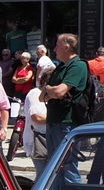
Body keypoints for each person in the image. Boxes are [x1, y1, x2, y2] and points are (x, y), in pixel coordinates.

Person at [38, 33, 90, 161]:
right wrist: (52, 91)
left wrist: (49, 90)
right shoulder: (60, 67)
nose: (54, 49)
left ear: (66, 48)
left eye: (57, 46)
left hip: (66, 123)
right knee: (54, 167)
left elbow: (58, 92)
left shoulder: (78, 65)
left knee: (67, 166)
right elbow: (41, 97)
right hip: (54, 122)